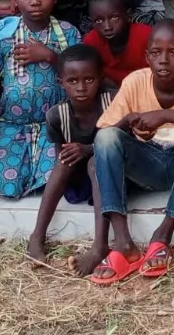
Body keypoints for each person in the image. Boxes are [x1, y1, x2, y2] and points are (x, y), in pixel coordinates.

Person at [85, 20, 174, 284]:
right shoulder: (135, 82)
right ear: (147, 56)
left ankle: (163, 233)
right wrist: (129, 122)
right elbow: (104, 134)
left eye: (173, 53)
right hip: (145, 164)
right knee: (106, 138)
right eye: (155, 52)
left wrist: (165, 115)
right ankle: (123, 242)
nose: (163, 60)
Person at [0, 0, 81, 199]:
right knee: (6, 186)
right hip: (13, 124)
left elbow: (80, 77)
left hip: (55, 126)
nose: (35, 1)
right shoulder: (4, 34)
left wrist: (49, 56)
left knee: (53, 181)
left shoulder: (68, 33)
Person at [26, 44, 113, 264]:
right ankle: (37, 235)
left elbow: (125, 144)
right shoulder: (57, 115)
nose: (81, 87)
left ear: (101, 78)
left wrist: (89, 149)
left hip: (110, 172)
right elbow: (61, 156)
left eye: (89, 80)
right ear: (61, 82)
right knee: (63, 161)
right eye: (73, 81)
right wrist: (76, 155)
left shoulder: (112, 102)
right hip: (79, 179)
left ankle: (99, 244)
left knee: (96, 161)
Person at [82, 0, 152, 86]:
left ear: (128, 15)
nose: (107, 27)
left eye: (114, 17)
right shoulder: (92, 40)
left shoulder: (146, 35)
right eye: (98, 21)